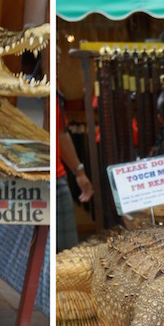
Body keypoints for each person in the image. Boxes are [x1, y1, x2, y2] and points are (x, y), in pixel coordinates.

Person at [56, 88, 93, 252]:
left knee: (67, 257)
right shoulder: (52, 85)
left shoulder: (55, 87)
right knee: (67, 256)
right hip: (52, 179)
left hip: (56, 177)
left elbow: (60, 132)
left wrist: (79, 172)